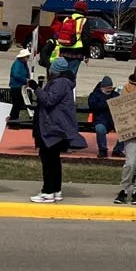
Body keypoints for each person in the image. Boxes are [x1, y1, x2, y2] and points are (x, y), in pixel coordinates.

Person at [33, 56, 79, 203]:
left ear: (55, 71)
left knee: (48, 159)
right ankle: (56, 190)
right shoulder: (65, 83)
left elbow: (49, 100)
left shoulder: (60, 83)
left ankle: (48, 191)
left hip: (53, 128)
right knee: (54, 159)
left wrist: (36, 89)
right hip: (57, 126)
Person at [86, 76, 118, 158]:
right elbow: (93, 106)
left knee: (125, 129)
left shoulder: (115, 95)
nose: (109, 90)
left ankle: (118, 150)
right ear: (102, 87)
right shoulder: (94, 95)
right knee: (100, 129)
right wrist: (108, 104)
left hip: (114, 119)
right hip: (100, 119)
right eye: (108, 88)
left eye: (111, 88)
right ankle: (102, 150)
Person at [7, 47, 35, 128]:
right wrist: (25, 80)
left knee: (17, 105)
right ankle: (13, 121)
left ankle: (14, 120)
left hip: (21, 86)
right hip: (16, 87)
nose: (28, 58)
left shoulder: (23, 64)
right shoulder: (18, 64)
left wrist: (27, 80)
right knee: (16, 105)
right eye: (27, 56)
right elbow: (15, 74)